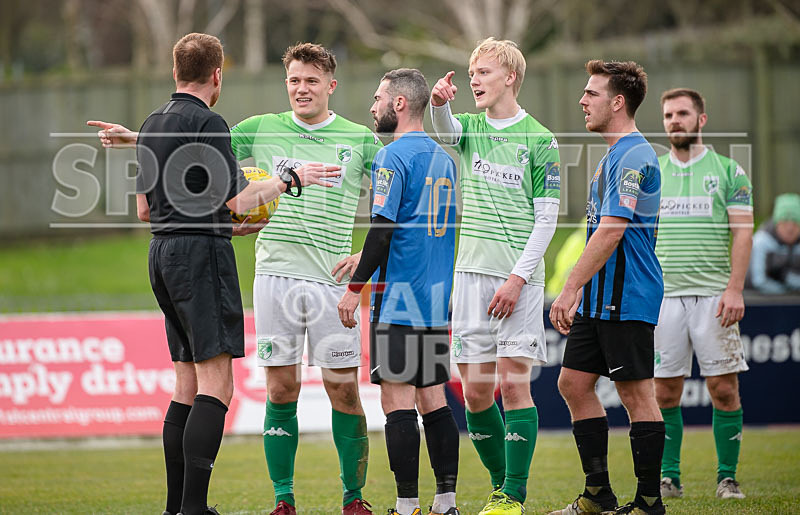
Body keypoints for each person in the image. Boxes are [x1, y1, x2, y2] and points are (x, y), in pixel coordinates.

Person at [89, 42, 378, 515]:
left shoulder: (359, 138)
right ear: (219, 76)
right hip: (272, 277)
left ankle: (353, 497)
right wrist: (287, 180)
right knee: (277, 389)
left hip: (329, 281)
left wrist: (367, 253)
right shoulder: (256, 128)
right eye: (293, 80)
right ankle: (281, 500)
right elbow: (195, 147)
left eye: (310, 80)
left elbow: (396, 198)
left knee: (342, 388)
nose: (301, 89)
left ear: (331, 84)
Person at [429, 37, 560, 515]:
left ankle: (513, 495)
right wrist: (440, 105)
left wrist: (517, 280)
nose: (474, 81)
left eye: (483, 73)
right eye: (471, 74)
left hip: (518, 282)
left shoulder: (541, 140)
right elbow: (444, 132)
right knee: (477, 392)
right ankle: (502, 484)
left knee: (513, 386)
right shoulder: (469, 128)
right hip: (470, 278)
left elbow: (547, 219)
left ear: (510, 78)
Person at [338, 68, 461, 515]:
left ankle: (406, 506)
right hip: (432, 297)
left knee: (397, 401)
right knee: (433, 399)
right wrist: (364, 259)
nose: (372, 107)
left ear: (400, 104)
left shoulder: (391, 158)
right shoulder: (444, 158)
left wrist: (356, 288)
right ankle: (446, 503)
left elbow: (384, 228)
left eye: (377, 98)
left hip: (400, 298)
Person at [548, 60, 665, 515]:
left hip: (627, 294)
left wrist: (569, 287)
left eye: (592, 93)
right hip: (600, 299)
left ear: (618, 102)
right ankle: (598, 495)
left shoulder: (634, 154)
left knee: (638, 396)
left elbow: (612, 230)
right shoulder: (611, 157)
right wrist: (582, 289)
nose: (582, 100)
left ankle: (650, 502)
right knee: (574, 384)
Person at [653, 88, 754, 501]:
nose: (674, 121)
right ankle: (669, 478)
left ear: (701, 119)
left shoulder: (730, 171)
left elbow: (743, 232)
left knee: (723, 389)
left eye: (682, 114)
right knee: (663, 392)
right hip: (664, 298)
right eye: (668, 115)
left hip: (715, 295)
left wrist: (734, 289)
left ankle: (726, 477)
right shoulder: (653, 172)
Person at [748, 193, 800, 293]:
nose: (790, 229)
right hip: (755, 301)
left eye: (795, 223)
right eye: (784, 222)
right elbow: (759, 281)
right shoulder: (761, 241)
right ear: (776, 223)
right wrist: (787, 292)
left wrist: (788, 278)